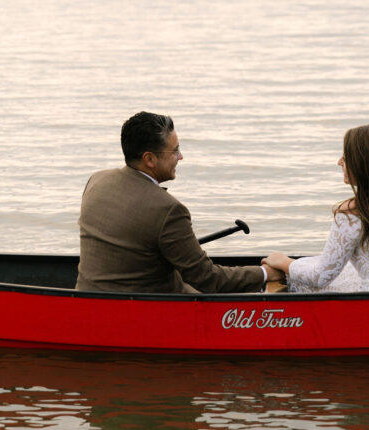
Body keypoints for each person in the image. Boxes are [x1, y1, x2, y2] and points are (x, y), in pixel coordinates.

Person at [76, 111, 283, 293]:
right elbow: (208, 280)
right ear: (149, 159)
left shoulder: (97, 180)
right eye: (175, 151)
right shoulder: (168, 210)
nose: (181, 157)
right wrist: (264, 273)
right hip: (144, 311)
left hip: (89, 299)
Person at [263, 124, 369, 292]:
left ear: (363, 164)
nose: (339, 162)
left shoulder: (352, 212)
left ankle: (272, 275)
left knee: (299, 277)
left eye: (345, 157)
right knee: (317, 265)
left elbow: (321, 277)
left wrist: (284, 262)